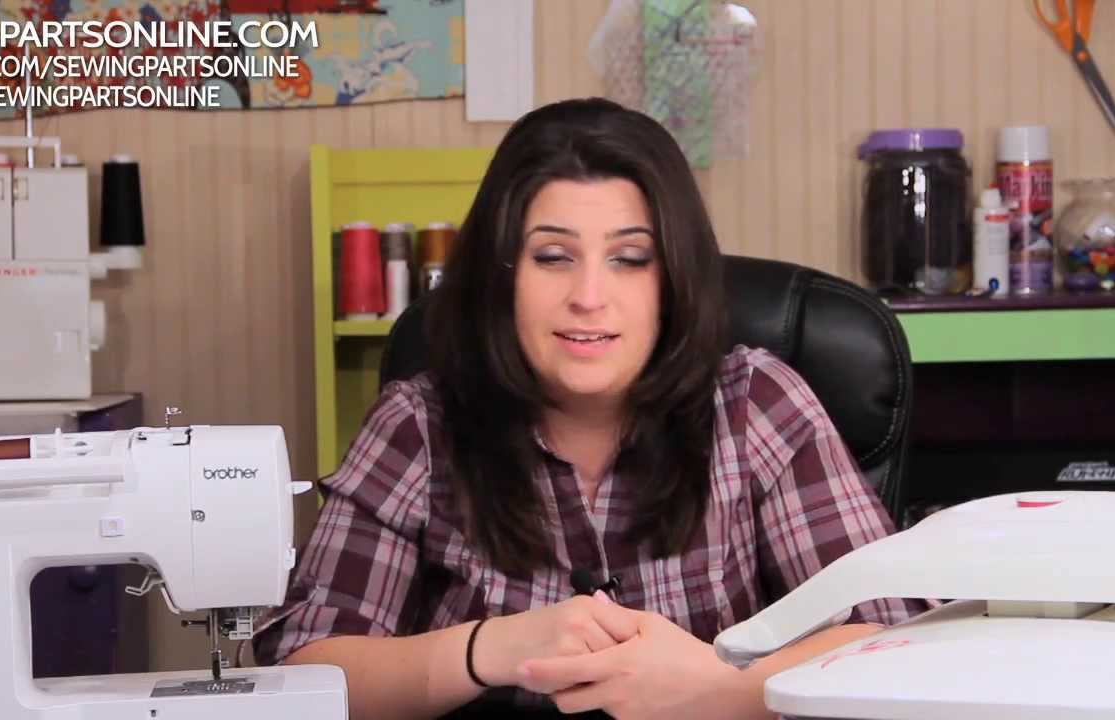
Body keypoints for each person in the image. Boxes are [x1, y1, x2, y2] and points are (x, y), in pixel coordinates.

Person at [254, 97, 930, 719]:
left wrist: (719, 687)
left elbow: (902, 639)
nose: (588, 297)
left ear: (672, 279)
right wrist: (488, 649)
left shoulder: (757, 404)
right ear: (502, 275)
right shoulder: (419, 424)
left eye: (629, 259)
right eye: (553, 256)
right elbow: (305, 669)